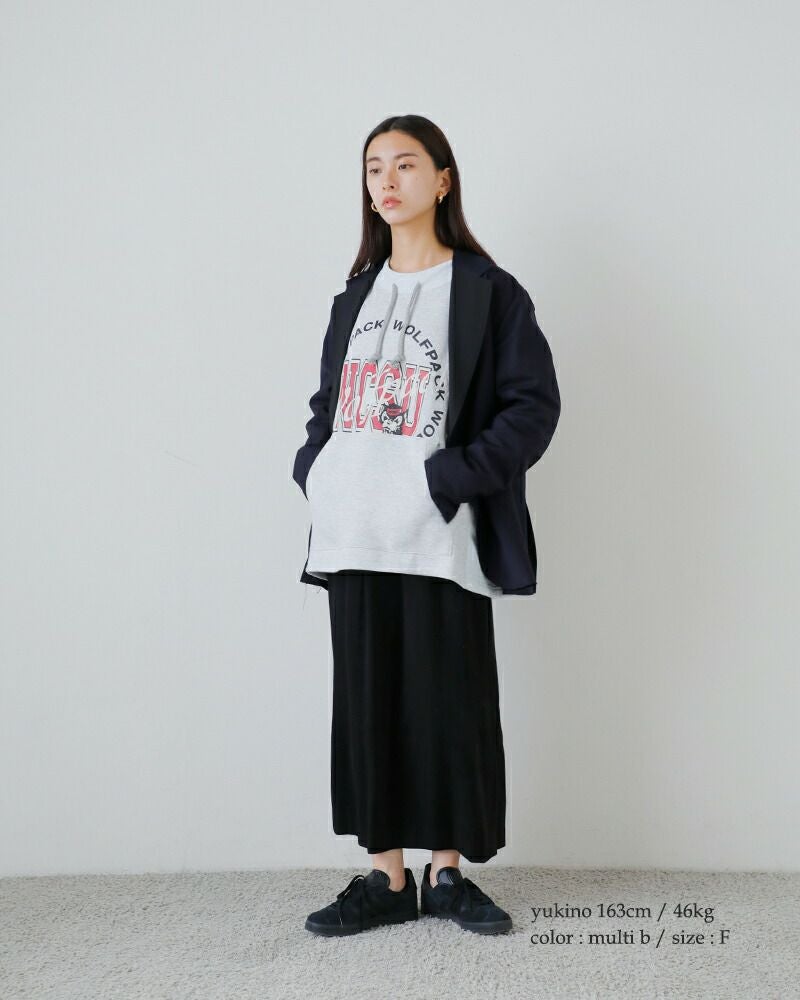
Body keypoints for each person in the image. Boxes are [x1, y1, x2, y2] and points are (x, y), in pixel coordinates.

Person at [291, 114, 561, 936]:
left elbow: (532, 408)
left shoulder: (487, 292)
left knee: (450, 705)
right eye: (374, 167)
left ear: (443, 180)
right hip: (353, 530)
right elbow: (328, 406)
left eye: (406, 164)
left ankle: (446, 875)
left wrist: (449, 479)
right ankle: (386, 879)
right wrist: (317, 471)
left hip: (440, 535)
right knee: (367, 705)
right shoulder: (355, 295)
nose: (387, 180)